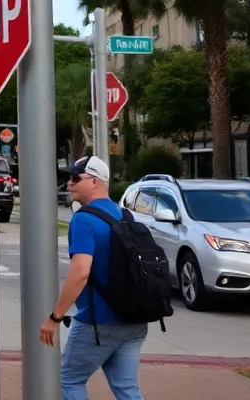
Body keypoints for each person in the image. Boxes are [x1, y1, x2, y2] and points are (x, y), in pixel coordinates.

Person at [41, 155, 147, 400]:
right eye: (69, 177)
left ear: (96, 182)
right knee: (127, 389)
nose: (70, 183)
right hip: (134, 321)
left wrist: (55, 317)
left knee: (69, 380)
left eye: (76, 178)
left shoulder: (84, 219)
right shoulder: (125, 216)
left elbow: (80, 272)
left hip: (97, 322)